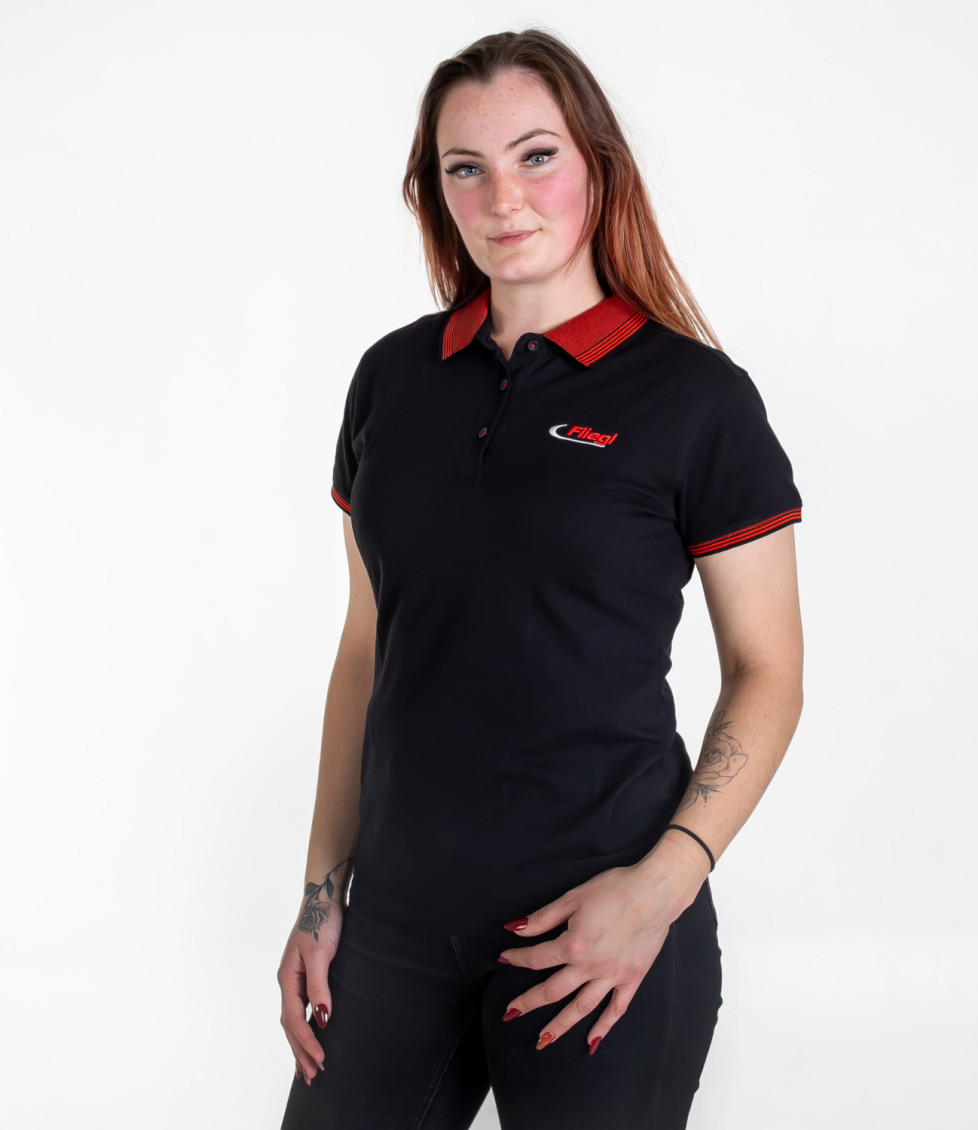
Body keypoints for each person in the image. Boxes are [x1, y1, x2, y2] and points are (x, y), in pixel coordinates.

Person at [277, 26, 803, 1130]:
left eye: (536, 156)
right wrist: (323, 891)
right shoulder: (391, 381)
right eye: (464, 167)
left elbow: (767, 671)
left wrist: (661, 886)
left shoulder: (696, 400)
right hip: (395, 927)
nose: (502, 199)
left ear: (595, 166)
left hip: (600, 923)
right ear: (435, 191)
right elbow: (367, 648)